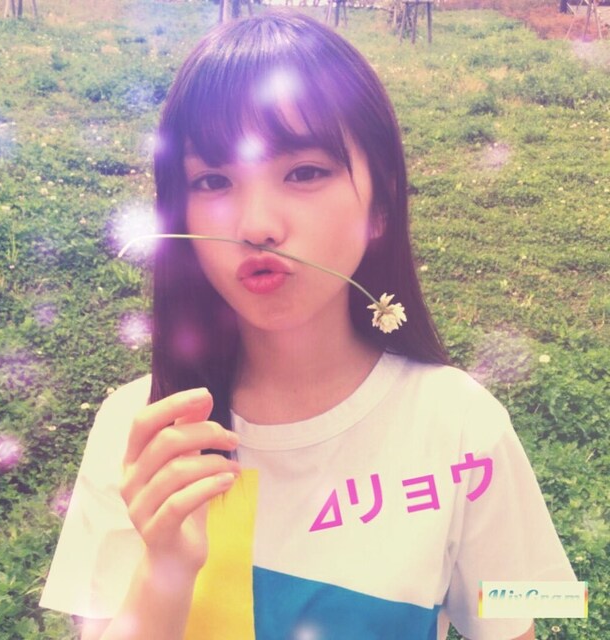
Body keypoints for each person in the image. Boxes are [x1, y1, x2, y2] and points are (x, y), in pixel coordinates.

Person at [40, 10, 576, 640]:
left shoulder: (464, 425)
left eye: (304, 173)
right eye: (213, 181)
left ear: (381, 203)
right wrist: (167, 569)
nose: (257, 225)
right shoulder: (140, 433)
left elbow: (518, 620)